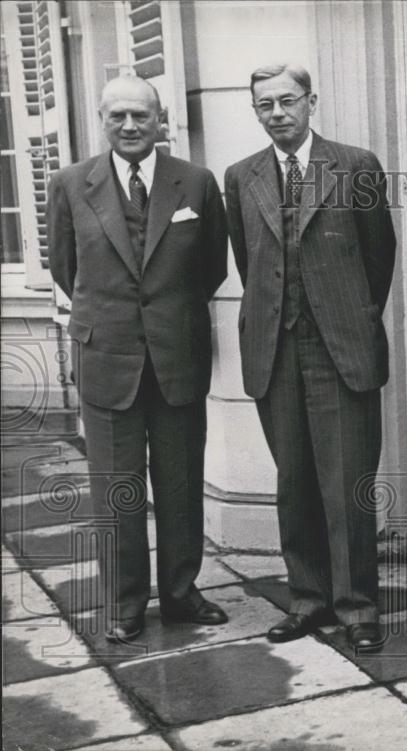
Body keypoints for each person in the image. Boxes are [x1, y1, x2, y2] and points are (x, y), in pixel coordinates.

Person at [47, 75, 229, 643]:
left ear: (161, 120)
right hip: (108, 359)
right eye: (118, 116)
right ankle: (126, 602)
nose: (130, 126)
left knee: (179, 484)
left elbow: (212, 268)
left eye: (141, 116)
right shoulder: (72, 184)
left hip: (178, 356)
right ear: (101, 119)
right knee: (116, 488)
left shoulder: (195, 184)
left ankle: (180, 593)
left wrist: (168, 316)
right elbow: (64, 267)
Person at [224, 64, 396, 650]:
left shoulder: (355, 165)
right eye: (264, 104)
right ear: (256, 111)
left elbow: (380, 259)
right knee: (294, 481)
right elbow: (251, 267)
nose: (277, 113)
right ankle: (309, 600)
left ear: (310, 102)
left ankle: (357, 608)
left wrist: (350, 319)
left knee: (346, 483)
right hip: (275, 349)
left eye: (287, 101)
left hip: (339, 349)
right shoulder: (240, 176)